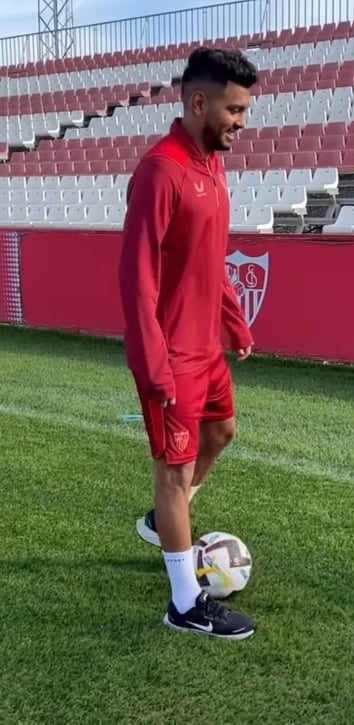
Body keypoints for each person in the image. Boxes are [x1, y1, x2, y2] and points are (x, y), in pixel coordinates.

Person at [119, 47, 260, 640]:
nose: (241, 122)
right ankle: (184, 602)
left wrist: (234, 320)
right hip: (173, 354)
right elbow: (137, 278)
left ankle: (163, 522)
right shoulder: (162, 171)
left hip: (208, 347)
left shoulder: (212, 165)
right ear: (198, 102)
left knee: (222, 432)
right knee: (173, 475)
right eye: (234, 109)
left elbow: (209, 259)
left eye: (246, 110)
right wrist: (154, 366)